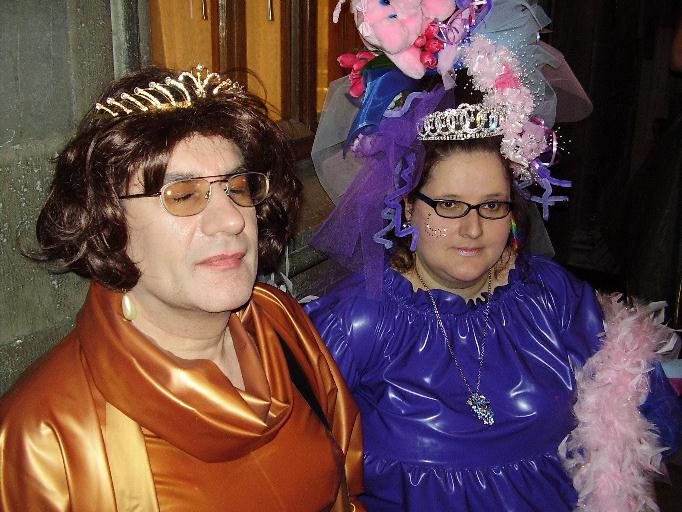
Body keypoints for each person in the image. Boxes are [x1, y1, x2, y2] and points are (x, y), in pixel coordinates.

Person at [305, 2, 681, 510]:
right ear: (408, 207)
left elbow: (645, 416)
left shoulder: (552, 297)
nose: (473, 228)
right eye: (449, 204)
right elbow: (289, 462)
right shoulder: (360, 318)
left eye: (492, 205)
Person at [0, 65, 365, 511]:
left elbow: (347, 480)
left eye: (237, 187)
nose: (231, 220)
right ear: (107, 221)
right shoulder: (44, 435)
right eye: (184, 195)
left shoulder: (279, 321)